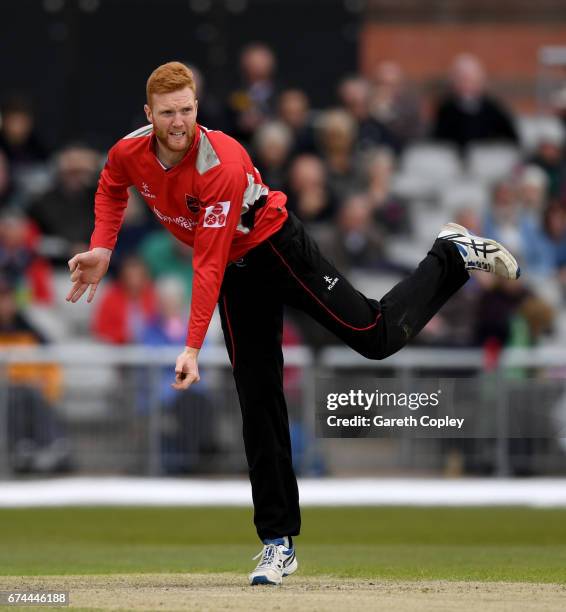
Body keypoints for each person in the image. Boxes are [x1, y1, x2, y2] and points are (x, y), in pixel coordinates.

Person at [65, 62, 520, 586]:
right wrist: (102, 246)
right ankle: (277, 543)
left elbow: (208, 263)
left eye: (187, 110)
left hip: (276, 248)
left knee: (375, 337)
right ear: (149, 114)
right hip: (235, 271)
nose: (178, 123)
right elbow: (111, 185)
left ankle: (452, 254)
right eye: (167, 113)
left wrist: (191, 347)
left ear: (196, 107)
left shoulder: (221, 163)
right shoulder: (129, 150)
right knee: (257, 399)